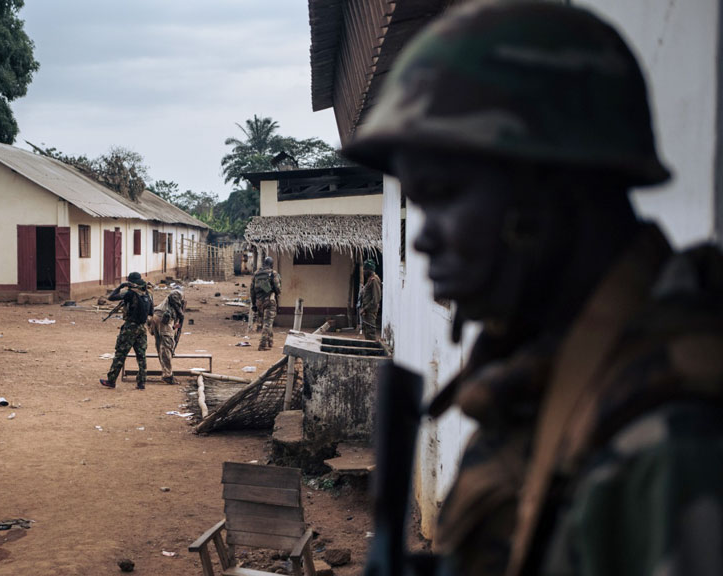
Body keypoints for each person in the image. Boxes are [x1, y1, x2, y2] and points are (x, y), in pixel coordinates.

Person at [343, 2, 723, 575]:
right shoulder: (554, 371)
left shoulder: (674, 444)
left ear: (551, 190)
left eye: (445, 195)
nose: (421, 242)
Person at [100, 272, 153, 390]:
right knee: (141, 356)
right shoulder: (148, 293)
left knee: (120, 354)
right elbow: (151, 312)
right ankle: (141, 382)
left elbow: (111, 297)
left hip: (130, 328)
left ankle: (111, 380)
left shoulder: (130, 293)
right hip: (141, 328)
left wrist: (120, 287)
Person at [149, 288, 185, 385]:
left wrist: (175, 326)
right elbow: (174, 299)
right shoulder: (176, 296)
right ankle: (167, 375)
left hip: (157, 317)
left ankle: (166, 372)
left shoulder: (168, 303)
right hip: (163, 319)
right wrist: (181, 315)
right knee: (166, 347)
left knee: (161, 346)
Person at [250, 256, 281, 351]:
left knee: (266, 322)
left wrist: (254, 304)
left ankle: (270, 341)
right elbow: (277, 288)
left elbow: (252, 290)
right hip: (269, 300)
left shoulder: (256, 274)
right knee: (267, 323)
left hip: (259, 302)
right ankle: (262, 345)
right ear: (271, 264)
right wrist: (277, 292)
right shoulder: (273, 273)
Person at [359, 260, 381, 341]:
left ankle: (372, 351)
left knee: (370, 332)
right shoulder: (369, 280)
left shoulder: (374, 280)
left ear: (369, 270)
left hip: (370, 311)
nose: (364, 272)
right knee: (367, 332)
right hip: (367, 311)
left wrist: (365, 308)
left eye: (365, 270)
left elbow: (376, 299)